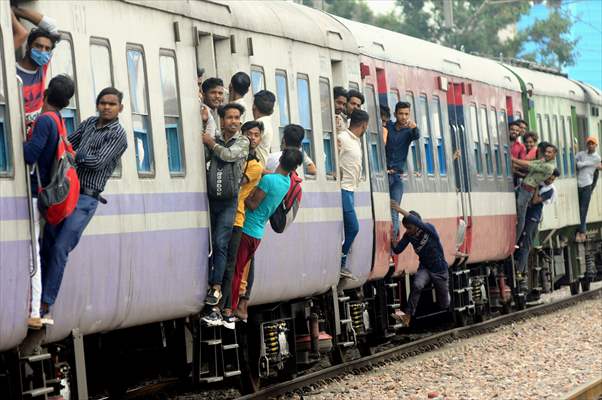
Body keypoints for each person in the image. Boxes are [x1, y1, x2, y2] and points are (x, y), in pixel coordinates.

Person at [40, 86, 128, 324]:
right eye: (103, 103)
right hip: (66, 192)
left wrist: (71, 154)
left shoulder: (118, 134)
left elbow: (97, 162)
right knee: (47, 240)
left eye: (111, 104)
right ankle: (37, 296)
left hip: (86, 198)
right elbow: (67, 141)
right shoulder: (89, 123)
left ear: (120, 108)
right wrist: (66, 148)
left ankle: (46, 303)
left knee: (61, 246)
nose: (106, 107)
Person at [22, 75, 73, 328]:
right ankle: (38, 308)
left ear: (45, 94)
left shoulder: (44, 120)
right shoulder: (58, 120)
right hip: (47, 195)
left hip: (35, 193)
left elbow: (30, 155)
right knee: (38, 251)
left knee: (34, 256)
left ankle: (34, 312)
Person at [229, 149, 304, 314]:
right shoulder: (286, 183)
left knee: (236, 269)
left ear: (281, 159)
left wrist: (246, 193)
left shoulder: (269, 180)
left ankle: (230, 306)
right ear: (294, 168)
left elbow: (253, 204)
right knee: (240, 269)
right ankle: (233, 304)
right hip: (257, 233)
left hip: (247, 228)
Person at [213, 121, 264, 327]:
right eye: (249, 134)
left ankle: (226, 307)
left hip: (238, 217)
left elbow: (235, 184)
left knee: (233, 266)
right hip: (230, 214)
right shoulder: (246, 159)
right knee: (227, 260)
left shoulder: (254, 164)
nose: (252, 138)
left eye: (256, 135)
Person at [201, 103, 249, 307]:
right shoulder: (217, 138)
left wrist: (211, 144)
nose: (234, 122)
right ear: (222, 120)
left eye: (237, 118)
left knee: (221, 243)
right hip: (212, 197)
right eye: (229, 117)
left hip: (230, 200)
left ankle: (217, 287)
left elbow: (228, 155)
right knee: (208, 243)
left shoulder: (243, 141)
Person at [390, 204, 450, 327]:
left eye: (409, 228)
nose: (407, 231)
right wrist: (392, 241)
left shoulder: (429, 229)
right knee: (417, 285)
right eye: (406, 228)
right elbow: (398, 250)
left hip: (439, 269)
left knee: (444, 303)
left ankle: (446, 300)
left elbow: (415, 220)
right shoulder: (408, 236)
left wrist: (400, 210)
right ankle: (407, 316)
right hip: (425, 268)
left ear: (417, 226)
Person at [12, 6, 59, 128]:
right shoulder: (11, 71)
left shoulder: (42, 67)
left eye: (47, 49)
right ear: (28, 47)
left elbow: (52, 26)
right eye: (38, 46)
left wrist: (15, 10)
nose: (43, 51)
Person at [338, 110, 369, 280]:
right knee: (353, 227)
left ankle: (341, 260)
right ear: (364, 125)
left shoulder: (355, 141)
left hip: (350, 190)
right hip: (344, 189)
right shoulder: (343, 138)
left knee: (349, 228)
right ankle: (341, 262)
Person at [515, 169, 559, 284]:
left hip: (533, 218)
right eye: (549, 178)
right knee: (520, 242)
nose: (550, 181)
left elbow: (535, 201)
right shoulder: (541, 183)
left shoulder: (550, 190)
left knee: (525, 244)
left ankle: (519, 272)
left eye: (552, 180)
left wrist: (536, 187)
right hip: (526, 215)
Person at [385, 102, 420, 239]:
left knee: (394, 208)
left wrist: (415, 127)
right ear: (395, 114)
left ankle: (394, 240)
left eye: (406, 114)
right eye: (401, 113)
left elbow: (417, 135)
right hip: (384, 174)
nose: (404, 117)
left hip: (397, 177)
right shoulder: (389, 127)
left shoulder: (409, 131)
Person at [512, 144, 558, 245]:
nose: (546, 153)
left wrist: (512, 159)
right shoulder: (543, 161)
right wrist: (514, 164)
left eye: (550, 152)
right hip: (521, 187)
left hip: (527, 191)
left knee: (521, 217)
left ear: (555, 154)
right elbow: (530, 163)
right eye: (546, 151)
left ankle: (514, 241)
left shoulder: (549, 167)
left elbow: (529, 165)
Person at [575, 136, 602, 242]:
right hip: (578, 184)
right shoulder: (581, 154)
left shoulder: (597, 157)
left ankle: (582, 231)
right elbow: (576, 164)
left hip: (587, 184)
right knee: (578, 208)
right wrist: (582, 164)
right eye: (589, 143)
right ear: (587, 145)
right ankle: (581, 231)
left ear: (596, 145)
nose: (590, 145)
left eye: (593, 144)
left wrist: (583, 164)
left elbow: (582, 165)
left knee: (583, 208)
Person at [252, 90, 276, 166]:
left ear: (254, 106)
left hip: (254, 170)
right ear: (272, 111)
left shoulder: (258, 124)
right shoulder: (268, 123)